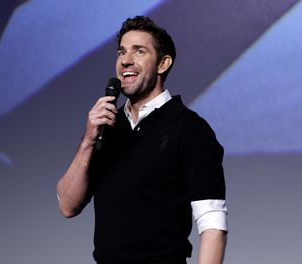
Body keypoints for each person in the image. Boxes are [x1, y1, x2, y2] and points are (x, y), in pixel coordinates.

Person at [57, 16, 227, 264]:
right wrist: (87, 142)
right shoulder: (107, 127)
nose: (126, 60)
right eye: (121, 52)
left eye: (139, 51)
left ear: (163, 63)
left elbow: (213, 225)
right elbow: (67, 205)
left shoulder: (191, 129)